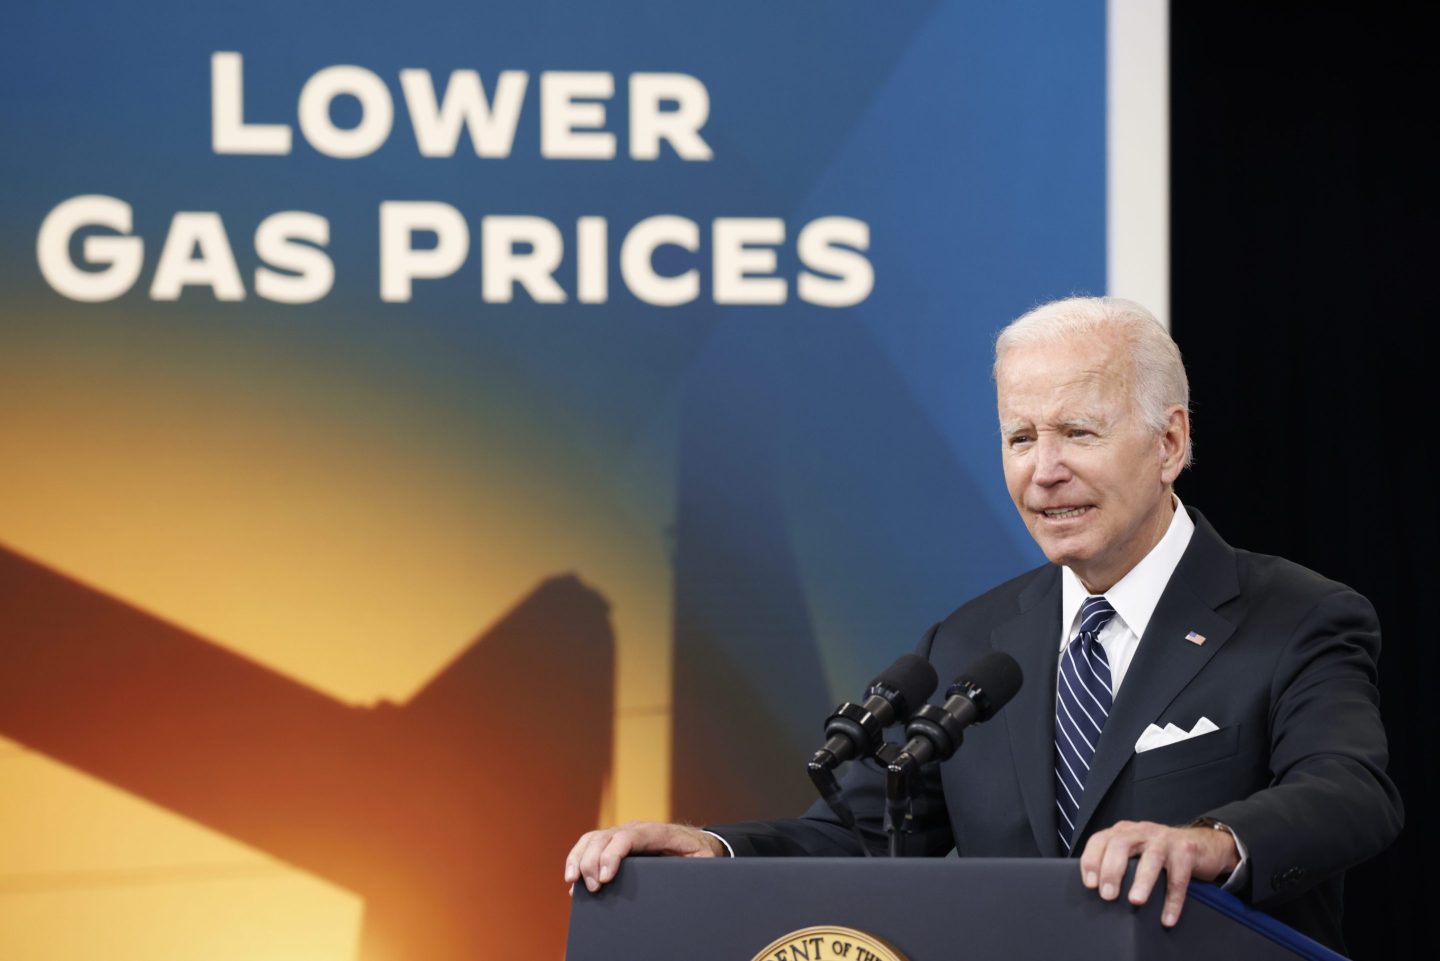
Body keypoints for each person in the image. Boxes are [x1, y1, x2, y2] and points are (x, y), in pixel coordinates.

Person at [564, 296, 1402, 952]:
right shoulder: (973, 642)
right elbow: (864, 834)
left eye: (1077, 432)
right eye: (1019, 437)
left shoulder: (1296, 615)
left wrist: (1211, 841)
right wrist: (713, 853)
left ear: (1169, 442)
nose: (1044, 470)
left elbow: (1350, 792)